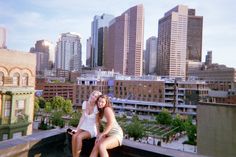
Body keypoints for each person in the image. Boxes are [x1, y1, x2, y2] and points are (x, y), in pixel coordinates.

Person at [70, 90, 102, 157]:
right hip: (84, 126)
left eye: (96, 97)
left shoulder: (96, 108)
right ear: (91, 94)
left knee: (79, 137)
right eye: (93, 95)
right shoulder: (85, 103)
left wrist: (98, 134)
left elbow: (97, 122)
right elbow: (82, 117)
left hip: (92, 129)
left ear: (97, 100)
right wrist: (77, 129)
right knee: (74, 135)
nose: (93, 97)